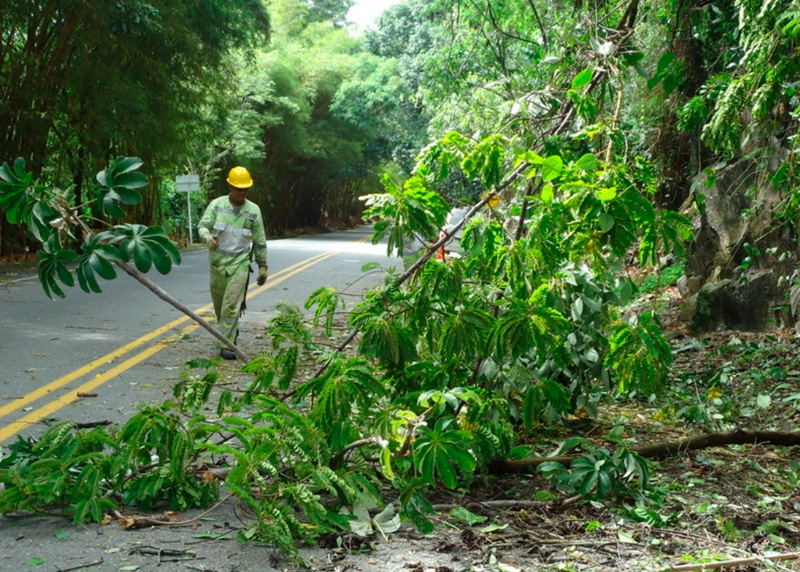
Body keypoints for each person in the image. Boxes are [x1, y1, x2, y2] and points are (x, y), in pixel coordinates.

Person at [197, 166, 268, 359]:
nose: (242, 192)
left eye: (246, 189)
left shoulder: (253, 210)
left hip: (240, 263)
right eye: (239, 189)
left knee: (231, 304)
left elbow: (260, 240)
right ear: (229, 186)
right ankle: (230, 332)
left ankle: (226, 345)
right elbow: (203, 225)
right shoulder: (217, 205)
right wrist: (207, 239)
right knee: (220, 306)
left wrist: (263, 266)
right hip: (218, 264)